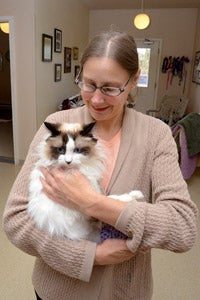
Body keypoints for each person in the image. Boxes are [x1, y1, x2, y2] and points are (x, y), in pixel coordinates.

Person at [3, 30, 198, 300]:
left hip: (124, 292)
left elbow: (182, 228)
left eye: (109, 88)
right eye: (88, 84)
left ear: (133, 81)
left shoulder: (156, 135)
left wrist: (92, 203)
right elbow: (15, 220)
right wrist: (89, 256)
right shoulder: (57, 124)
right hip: (56, 290)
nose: (96, 99)